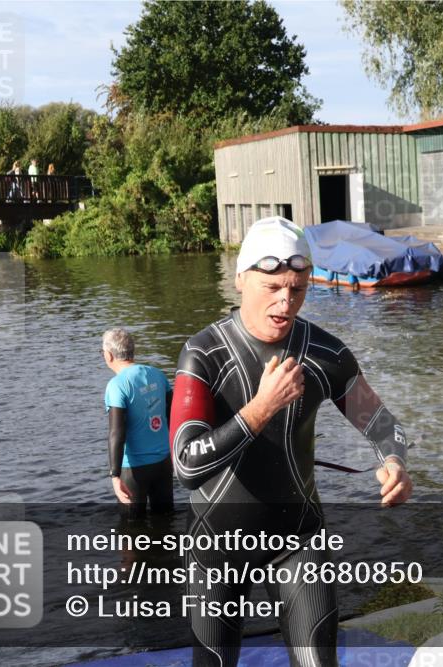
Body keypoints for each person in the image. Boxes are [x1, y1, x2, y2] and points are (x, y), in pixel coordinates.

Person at [170, 216, 412, 667]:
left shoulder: (325, 353)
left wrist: (395, 462)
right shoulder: (203, 353)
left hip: (297, 539)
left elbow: (382, 423)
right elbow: (185, 465)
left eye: (297, 289)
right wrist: (262, 407)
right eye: (273, 287)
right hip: (216, 541)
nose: (286, 302)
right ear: (241, 279)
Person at [102, 327, 174, 519]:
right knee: (166, 520)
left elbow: (116, 433)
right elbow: (173, 416)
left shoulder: (117, 386)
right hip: (163, 464)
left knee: (131, 528)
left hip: (133, 469)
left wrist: (115, 476)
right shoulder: (158, 375)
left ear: (109, 355)